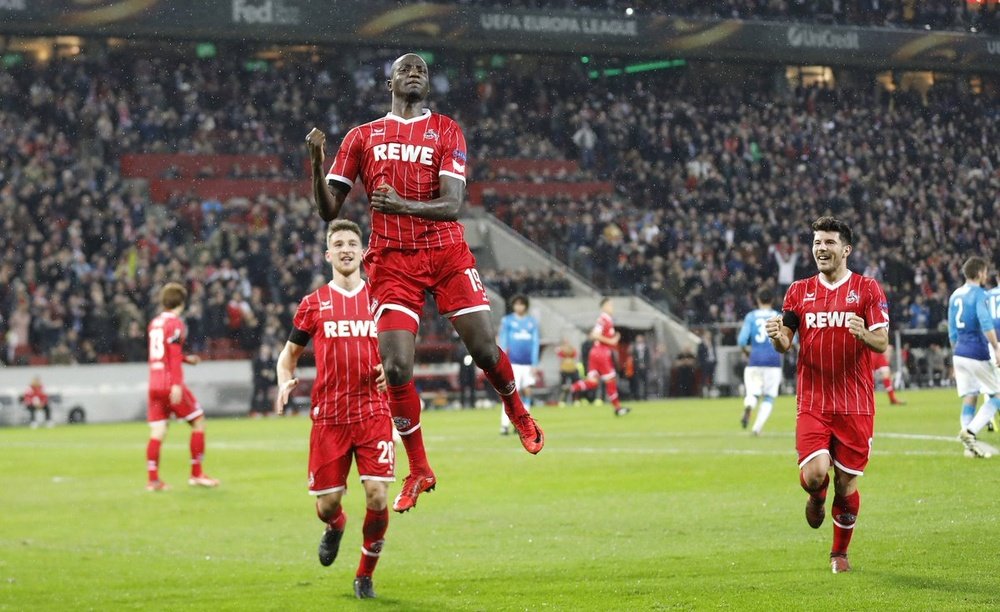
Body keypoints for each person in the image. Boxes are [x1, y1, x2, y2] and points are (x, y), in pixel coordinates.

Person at [305, 52, 543, 514]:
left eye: (423, 71)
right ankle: (419, 469)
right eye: (406, 69)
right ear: (390, 80)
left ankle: (516, 409)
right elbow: (329, 210)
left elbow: (452, 203)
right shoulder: (362, 136)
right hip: (392, 261)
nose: (414, 73)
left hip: (446, 252)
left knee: (485, 351)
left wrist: (401, 206)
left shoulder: (447, 130)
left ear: (427, 85)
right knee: (394, 369)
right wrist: (316, 163)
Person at [765, 216, 890, 574]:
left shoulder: (867, 289)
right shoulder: (798, 291)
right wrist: (776, 334)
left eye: (829, 242)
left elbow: (881, 340)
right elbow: (785, 344)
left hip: (855, 404)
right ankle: (816, 498)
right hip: (814, 402)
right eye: (817, 242)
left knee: (847, 482)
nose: (821, 248)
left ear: (846, 249)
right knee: (817, 474)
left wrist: (863, 333)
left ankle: (839, 553)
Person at [275, 220, 393, 600]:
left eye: (352, 243)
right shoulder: (313, 304)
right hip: (329, 417)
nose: (345, 249)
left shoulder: (380, 299)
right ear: (328, 254)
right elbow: (287, 357)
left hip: (373, 412)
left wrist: (390, 372)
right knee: (328, 505)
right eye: (338, 243)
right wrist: (283, 381)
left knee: (377, 494)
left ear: (362, 253)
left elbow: (400, 349)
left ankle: (364, 575)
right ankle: (335, 525)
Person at [146, 282, 219, 491]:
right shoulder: (176, 323)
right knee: (198, 420)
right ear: (182, 302)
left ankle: (153, 480)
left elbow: (163, 352)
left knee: (158, 431)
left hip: (154, 381)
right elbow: (174, 355)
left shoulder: (155, 323)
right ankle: (196, 474)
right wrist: (177, 384)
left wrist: (187, 359)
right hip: (170, 382)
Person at [947, 256, 1000, 458]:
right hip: (976, 352)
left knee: (971, 395)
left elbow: (952, 329)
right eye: (985, 272)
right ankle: (970, 432)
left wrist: (957, 350)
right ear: (979, 273)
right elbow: (985, 321)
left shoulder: (955, 295)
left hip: (959, 353)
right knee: (997, 395)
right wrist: (995, 347)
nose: (986, 276)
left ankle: (970, 447)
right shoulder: (979, 294)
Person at [568, 297, 630, 416]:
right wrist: (611, 341)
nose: (612, 308)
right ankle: (618, 408)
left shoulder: (607, 320)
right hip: (601, 353)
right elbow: (594, 335)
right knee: (610, 380)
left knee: (593, 382)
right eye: (610, 305)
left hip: (595, 352)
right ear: (604, 307)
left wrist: (613, 339)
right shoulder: (603, 319)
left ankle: (571, 388)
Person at [736, 288, 783, 435]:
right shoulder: (777, 316)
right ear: (773, 301)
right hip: (773, 361)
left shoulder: (751, 316)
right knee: (769, 396)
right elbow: (790, 340)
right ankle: (756, 428)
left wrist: (746, 352)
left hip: (754, 360)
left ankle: (749, 405)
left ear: (757, 300)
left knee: (753, 393)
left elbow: (742, 340)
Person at [497, 295, 540, 435]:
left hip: (527, 364)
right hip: (512, 363)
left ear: (525, 306)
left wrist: (535, 363)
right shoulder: (508, 321)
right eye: (516, 304)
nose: (519, 307)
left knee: (527, 392)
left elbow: (535, 344)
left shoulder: (532, 322)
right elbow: (503, 341)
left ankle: (523, 424)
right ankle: (504, 425)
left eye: (521, 304)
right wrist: (503, 360)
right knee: (510, 394)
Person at [249, 343, 277, 417]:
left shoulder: (270, 359)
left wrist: (268, 372)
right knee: (255, 395)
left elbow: (272, 368)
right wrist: (261, 372)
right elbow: (255, 369)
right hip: (258, 380)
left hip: (266, 381)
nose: (266, 350)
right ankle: (253, 410)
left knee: (265, 396)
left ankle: (265, 411)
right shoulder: (257, 358)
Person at [556, 337, 580, 406]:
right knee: (564, 385)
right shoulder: (560, 349)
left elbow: (575, 354)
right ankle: (562, 400)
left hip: (572, 368)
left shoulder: (571, 348)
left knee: (575, 384)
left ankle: (575, 399)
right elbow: (560, 357)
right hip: (564, 369)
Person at [629, 333, 651, 401]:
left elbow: (648, 357)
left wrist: (645, 365)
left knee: (645, 383)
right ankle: (637, 397)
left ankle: (645, 397)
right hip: (637, 368)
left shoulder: (646, 347)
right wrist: (638, 364)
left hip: (644, 368)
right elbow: (633, 357)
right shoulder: (634, 347)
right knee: (637, 383)